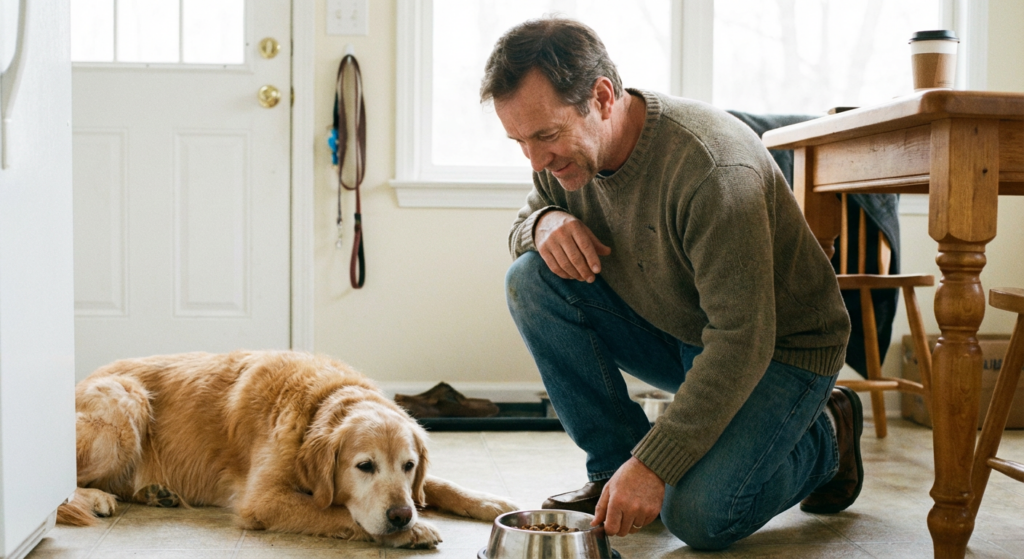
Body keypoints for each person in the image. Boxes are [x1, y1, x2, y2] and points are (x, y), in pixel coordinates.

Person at [481, 17, 860, 550]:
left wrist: (656, 464)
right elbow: (527, 217)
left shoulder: (711, 169)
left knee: (699, 516)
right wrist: (542, 222)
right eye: (519, 141)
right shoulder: (560, 159)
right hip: (682, 332)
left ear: (603, 96)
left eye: (546, 135)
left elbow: (742, 340)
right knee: (531, 279)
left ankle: (827, 437)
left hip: (780, 351)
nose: (537, 160)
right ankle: (615, 472)